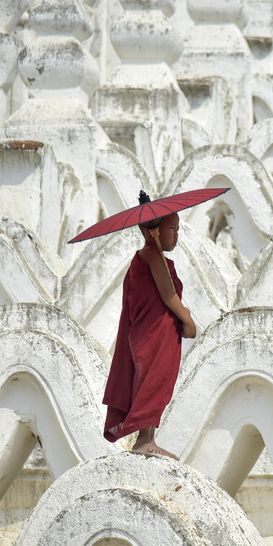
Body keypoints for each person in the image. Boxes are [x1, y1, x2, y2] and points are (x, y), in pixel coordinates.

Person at [102, 192, 197, 459]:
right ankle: (144, 440)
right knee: (151, 383)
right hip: (152, 335)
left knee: (159, 383)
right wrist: (187, 319)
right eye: (172, 229)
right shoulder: (150, 256)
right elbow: (168, 295)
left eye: (178, 229)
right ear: (152, 230)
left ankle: (150, 438)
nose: (176, 235)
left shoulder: (158, 259)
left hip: (160, 334)